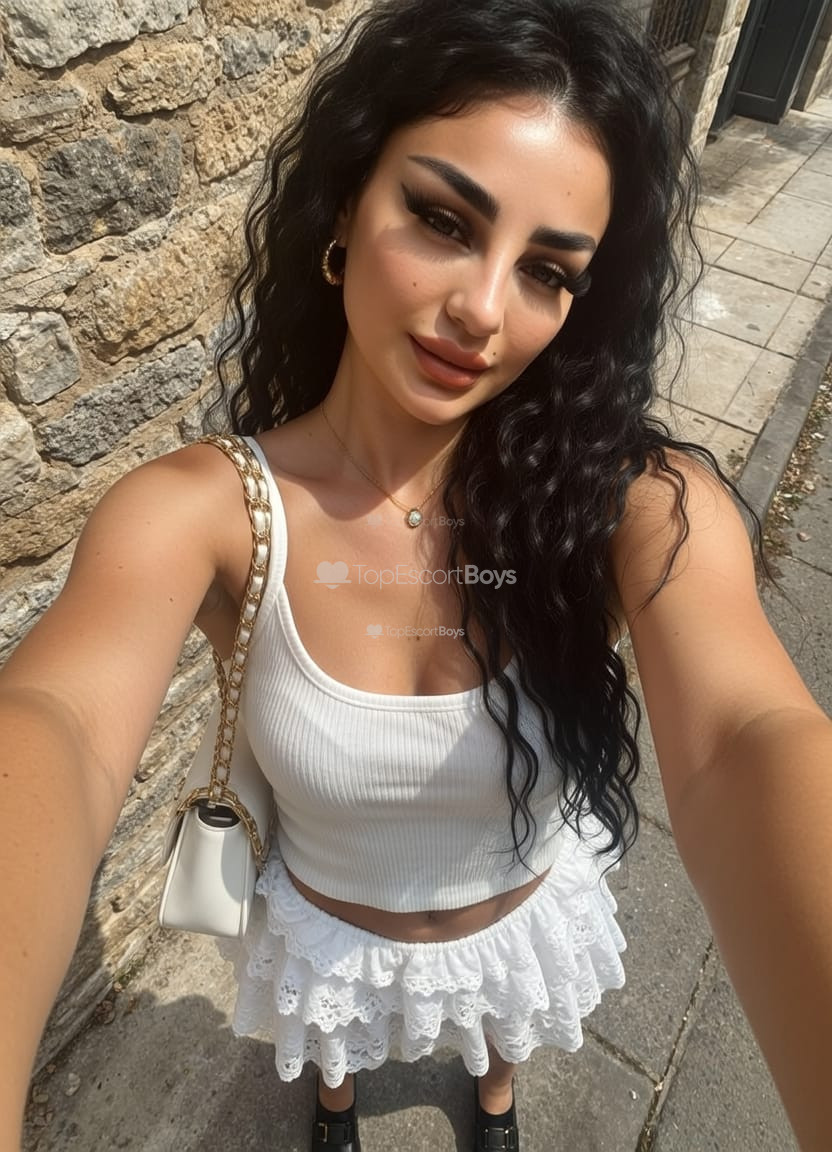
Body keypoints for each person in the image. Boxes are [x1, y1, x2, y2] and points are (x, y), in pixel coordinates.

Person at [1, 0, 831, 1149]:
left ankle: (492, 1102)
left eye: (546, 271)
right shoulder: (204, 514)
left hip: (515, 915)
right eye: (443, 219)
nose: (483, 310)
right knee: (332, 1048)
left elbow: (746, 733)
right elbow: (56, 722)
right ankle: (335, 1107)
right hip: (336, 935)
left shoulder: (624, 507)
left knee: (502, 1034)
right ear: (346, 201)